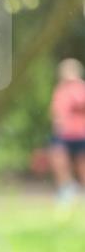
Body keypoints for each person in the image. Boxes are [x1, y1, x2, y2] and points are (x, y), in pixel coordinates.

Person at [49, 58, 85, 203]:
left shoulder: (80, 88)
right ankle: (66, 189)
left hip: (80, 132)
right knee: (58, 159)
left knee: (81, 163)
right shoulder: (60, 90)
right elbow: (57, 112)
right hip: (64, 133)